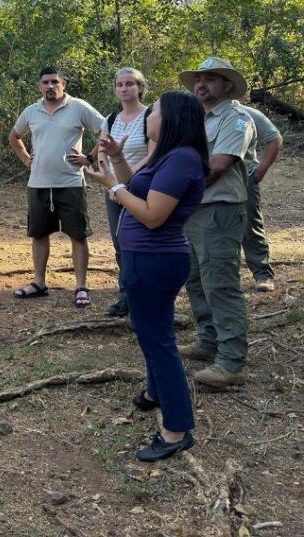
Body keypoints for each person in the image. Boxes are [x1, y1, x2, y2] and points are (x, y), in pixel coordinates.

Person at [86, 91, 208, 462]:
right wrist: (120, 161)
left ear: (170, 119)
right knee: (149, 330)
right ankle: (156, 392)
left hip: (156, 261)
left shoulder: (182, 159)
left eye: (153, 111)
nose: (147, 115)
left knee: (159, 341)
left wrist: (113, 188)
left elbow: (152, 214)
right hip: (145, 259)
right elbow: (137, 185)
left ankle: (176, 428)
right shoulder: (167, 156)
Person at [178, 57, 254, 388]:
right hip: (195, 209)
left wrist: (177, 190)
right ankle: (208, 341)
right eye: (199, 78)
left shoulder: (236, 119)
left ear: (227, 85)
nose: (201, 83)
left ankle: (232, 362)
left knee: (220, 283)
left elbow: (219, 164)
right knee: (195, 277)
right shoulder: (199, 118)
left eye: (211, 78)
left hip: (219, 209)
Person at [9, 66, 105, 307]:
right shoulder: (32, 111)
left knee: (78, 234)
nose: (50, 86)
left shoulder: (78, 107)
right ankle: (39, 283)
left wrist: (90, 158)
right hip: (39, 183)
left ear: (64, 84)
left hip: (71, 182)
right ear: (39, 86)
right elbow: (14, 136)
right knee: (39, 234)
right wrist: (26, 159)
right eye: (45, 83)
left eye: (54, 82)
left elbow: (106, 130)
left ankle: (81, 286)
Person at [69, 68, 153, 318]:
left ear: (140, 87)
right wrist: (110, 180)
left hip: (142, 188)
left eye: (130, 84)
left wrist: (127, 180)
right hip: (113, 188)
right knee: (120, 242)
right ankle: (126, 295)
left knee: (143, 241)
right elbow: (103, 150)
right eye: (120, 84)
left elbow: (152, 154)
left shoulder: (151, 116)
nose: (125, 88)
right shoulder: (112, 118)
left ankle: (148, 295)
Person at [237, 103, 282, 292]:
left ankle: (263, 274)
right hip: (209, 178)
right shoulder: (197, 111)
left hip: (242, 177)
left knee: (249, 225)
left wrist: (259, 171)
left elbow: (274, 138)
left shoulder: (246, 113)